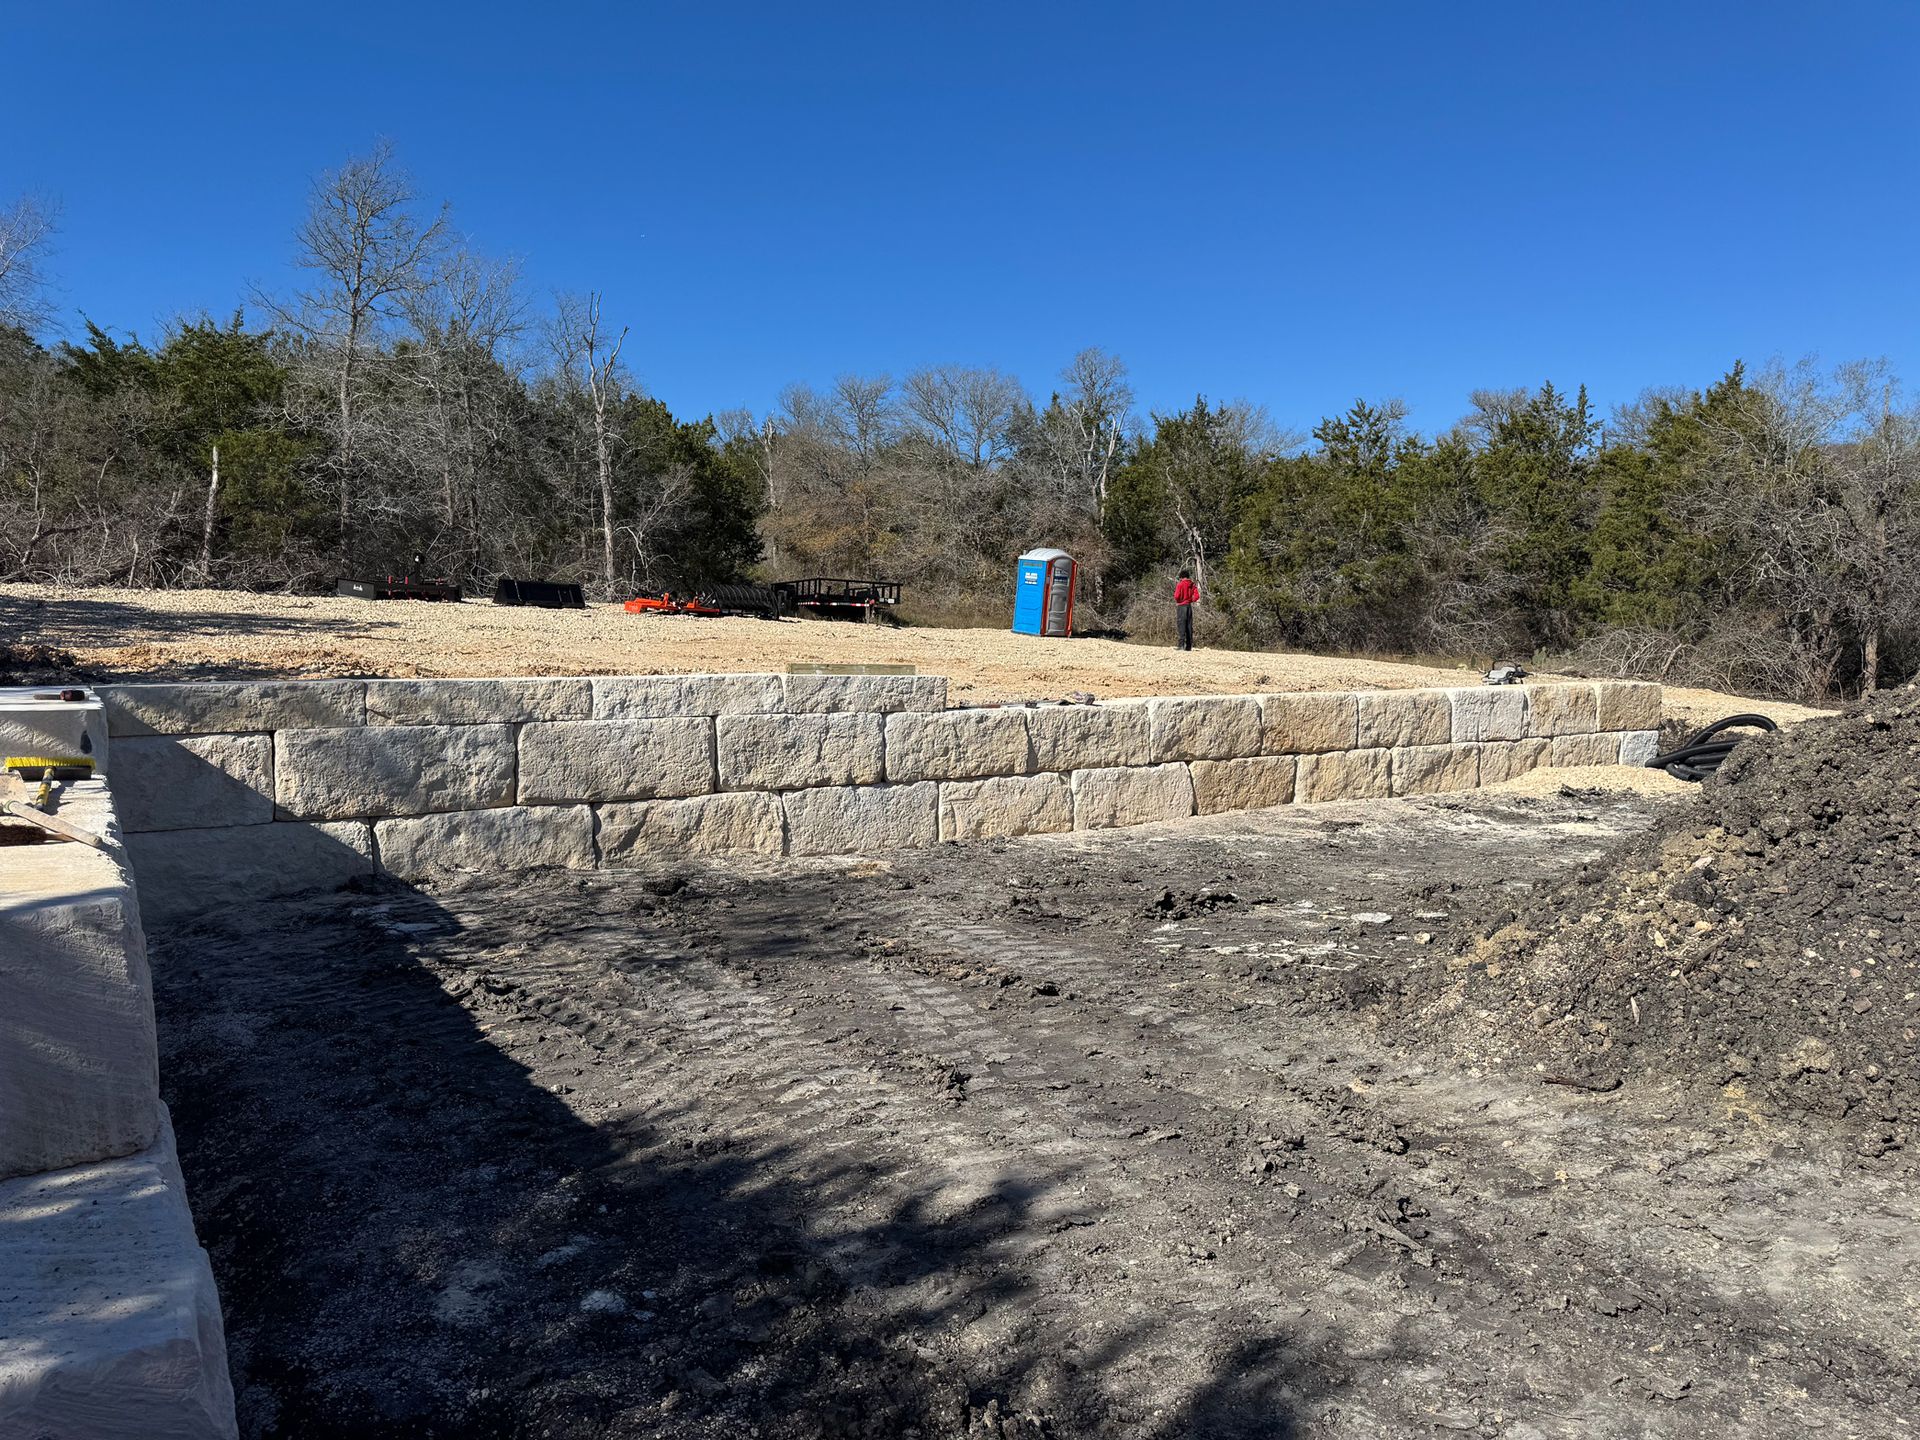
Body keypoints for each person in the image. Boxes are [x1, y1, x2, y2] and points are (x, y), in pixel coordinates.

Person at [1173, 568, 1199, 651]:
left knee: (1181, 625)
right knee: (1189, 625)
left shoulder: (1180, 584)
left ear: (1181, 577)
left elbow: (1176, 596)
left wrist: (1179, 601)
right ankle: (1188, 646)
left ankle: (1181, 645)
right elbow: (1197, 596)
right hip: (1189, 606)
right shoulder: (1192, 584)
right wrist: (1191, 600)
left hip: (1181, 606)